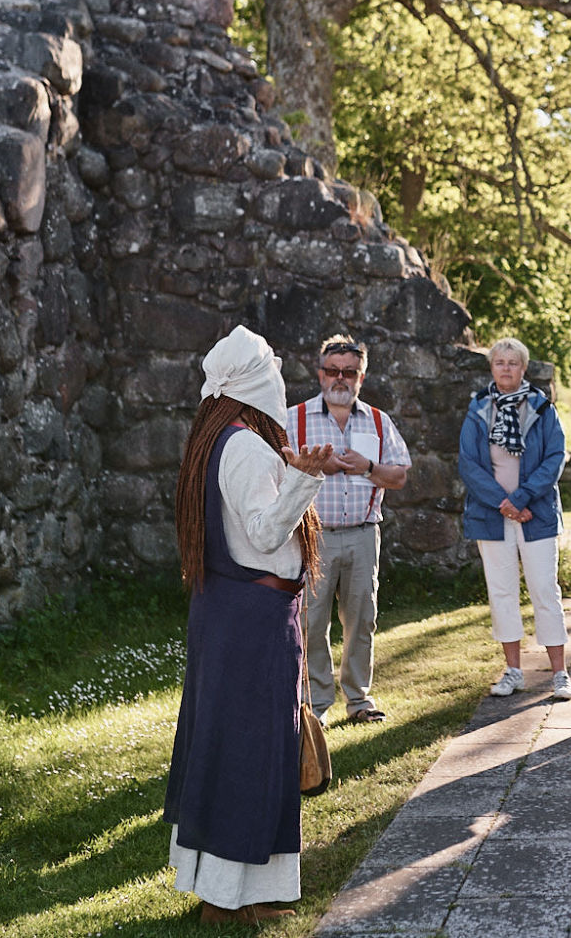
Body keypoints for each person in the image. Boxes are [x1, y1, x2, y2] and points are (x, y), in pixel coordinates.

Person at [163, 325, 334, 925]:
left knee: (233, 745)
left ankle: (233, 892)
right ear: (252, 381)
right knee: (249, 749)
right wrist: (307, 479)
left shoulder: (226, 439)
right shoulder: (240, 446)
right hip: (252, 619)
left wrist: (297, 475)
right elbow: (264, 532)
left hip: (237, 612)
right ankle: (230, 898)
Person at [284, 334, 410, 725]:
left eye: (349, 372)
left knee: (361, 618)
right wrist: (316, 466)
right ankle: (315, 705)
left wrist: (367, 468)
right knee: (311, 619)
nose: (340, 378)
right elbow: (277, 470)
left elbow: (400, 476)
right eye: (332, 371)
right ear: (319, 374)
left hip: (362, 532)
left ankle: (358, 700)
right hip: (312, 533)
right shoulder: (295, 418)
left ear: (361, 377)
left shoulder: (378, 420)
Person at [459, 337, 571, 700]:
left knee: (544, 590)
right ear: (491, 368)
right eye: (499, 362)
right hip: (492, 516)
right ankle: (513, 672)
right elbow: (469, 464)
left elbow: (554, 457)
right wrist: (504, 503)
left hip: (535, 513)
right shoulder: (478, 408)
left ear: (523, 368)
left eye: (513, 362)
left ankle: (560, 674)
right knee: (502, 592)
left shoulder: (542, 408)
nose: (506, 368)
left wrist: (521, 499)